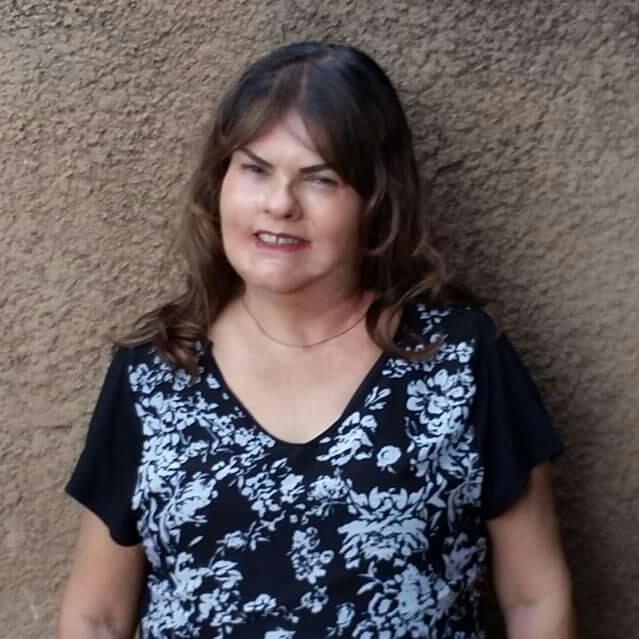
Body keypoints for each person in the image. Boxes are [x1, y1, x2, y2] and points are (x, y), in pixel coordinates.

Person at [58, 41, 576, 639]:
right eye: (255, 169)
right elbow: (97, 616)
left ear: (376, 200)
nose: (280, 204)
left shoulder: (460, 361)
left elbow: (535, 598)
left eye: (320, 179)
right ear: (220, 180)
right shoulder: (156, 372)